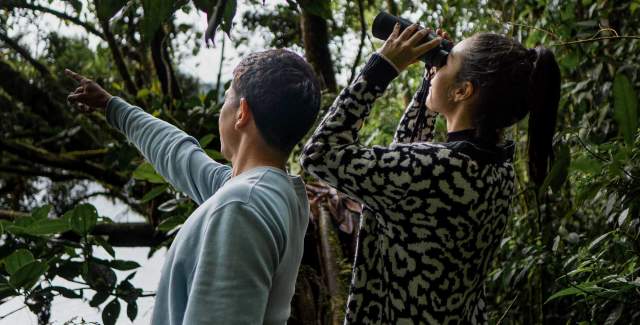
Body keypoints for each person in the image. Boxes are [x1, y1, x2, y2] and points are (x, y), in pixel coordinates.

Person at [300, 22, 560, 324]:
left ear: (462, 90)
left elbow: (318, 153)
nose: (437, 66)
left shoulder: (434, 167)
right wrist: (430, 81)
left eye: (445, 61)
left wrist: (380, 70)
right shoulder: (498, 168)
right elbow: (407, 159)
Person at [65, 49, 321, 325]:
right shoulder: (270, 194)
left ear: (241, 113)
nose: (221, 109)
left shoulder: (243, 206)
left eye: (226, 99)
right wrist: (111, 106)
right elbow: (181, 155)